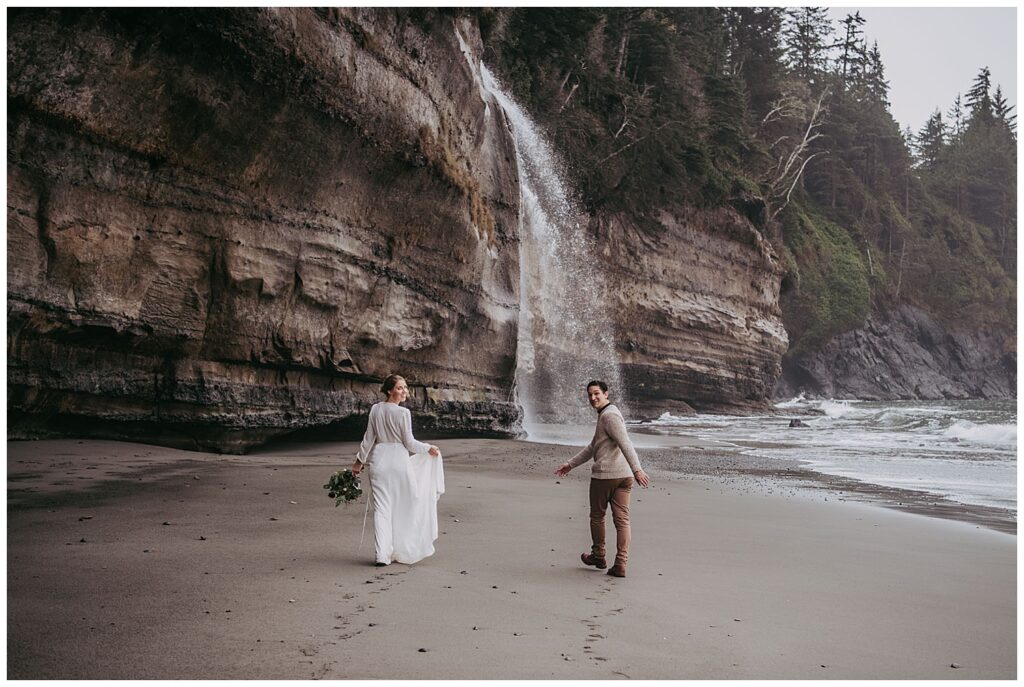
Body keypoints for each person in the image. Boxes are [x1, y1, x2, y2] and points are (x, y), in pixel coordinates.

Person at [555, 380, 650, 578]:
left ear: (606, 394)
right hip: (623, 477)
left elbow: (626, 443)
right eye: (589, 394)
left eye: (597, 393)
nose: (592, 398)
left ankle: (599, 556)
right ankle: (620, 565)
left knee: (598, 517)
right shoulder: (607, 414)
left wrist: (638, 469)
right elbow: (593, 447)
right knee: (622, 521)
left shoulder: (609, 415)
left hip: (607, 475)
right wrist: (570, 464)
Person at [351, 374, 444, 566]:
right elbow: (409, 443)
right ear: (389, 390)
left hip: (379, 461)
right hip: (399, 462)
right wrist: (428, 448)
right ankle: (401, 547)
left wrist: (360, 461)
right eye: (400, 388)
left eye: (405, 388)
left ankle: (382, 555)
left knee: (382, 509)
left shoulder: (376, 409)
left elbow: (369, 439)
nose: (404, 392)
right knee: (407, 504)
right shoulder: (403, 413)